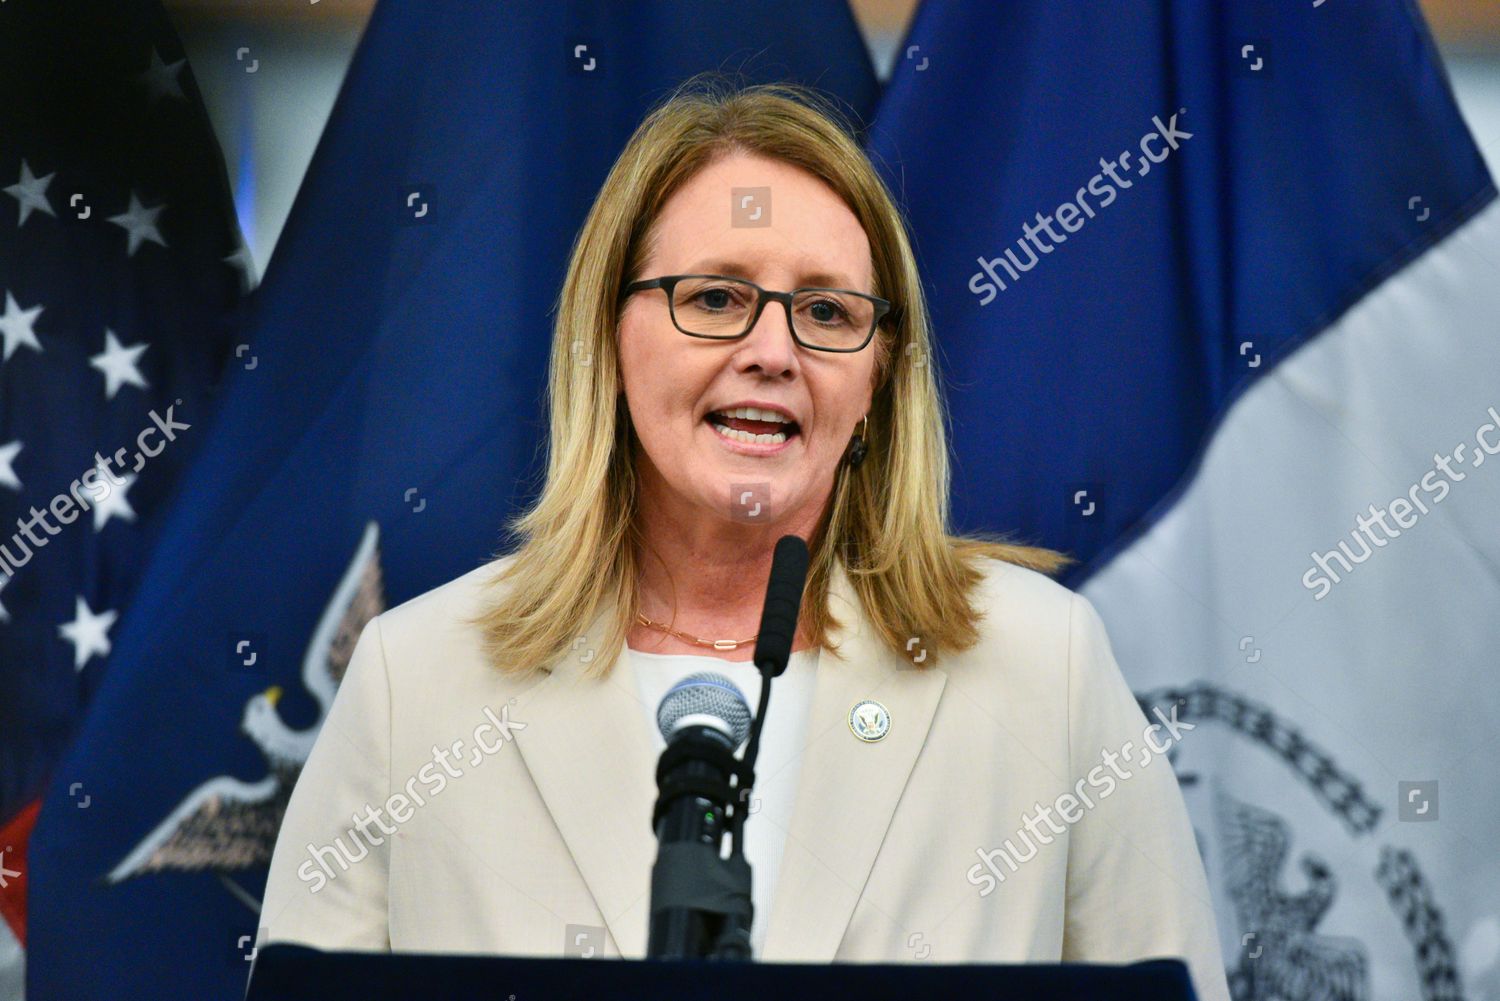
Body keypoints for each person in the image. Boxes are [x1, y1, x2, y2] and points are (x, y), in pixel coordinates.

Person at [257, 78, 1231, 1001]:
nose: (772, 352)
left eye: (825, 312)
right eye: (716, 297)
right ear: (610, 336)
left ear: (878, 377)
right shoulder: (416, 681)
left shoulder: (1041, 667)